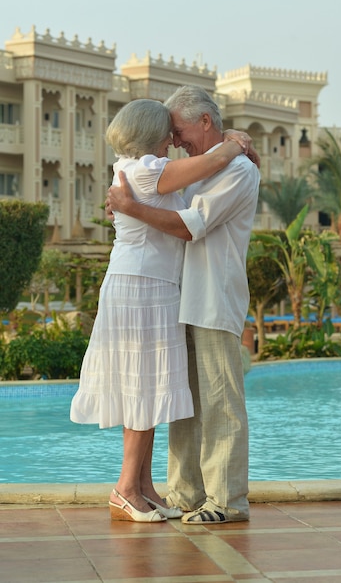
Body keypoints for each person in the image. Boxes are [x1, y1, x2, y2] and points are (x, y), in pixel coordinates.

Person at [70, 98, 247, 523]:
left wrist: (130, 208)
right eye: (170, 131)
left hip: (158, 287)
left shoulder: (141, 171)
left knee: (151, 387)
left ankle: (146, 487)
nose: (175, 138)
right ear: (153, 133)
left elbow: (189, 205)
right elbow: (211, 167)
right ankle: (128, 487)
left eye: (180, 129)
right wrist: (235, 141)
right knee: (142, 386)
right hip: (142, 286)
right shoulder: (149, 169)